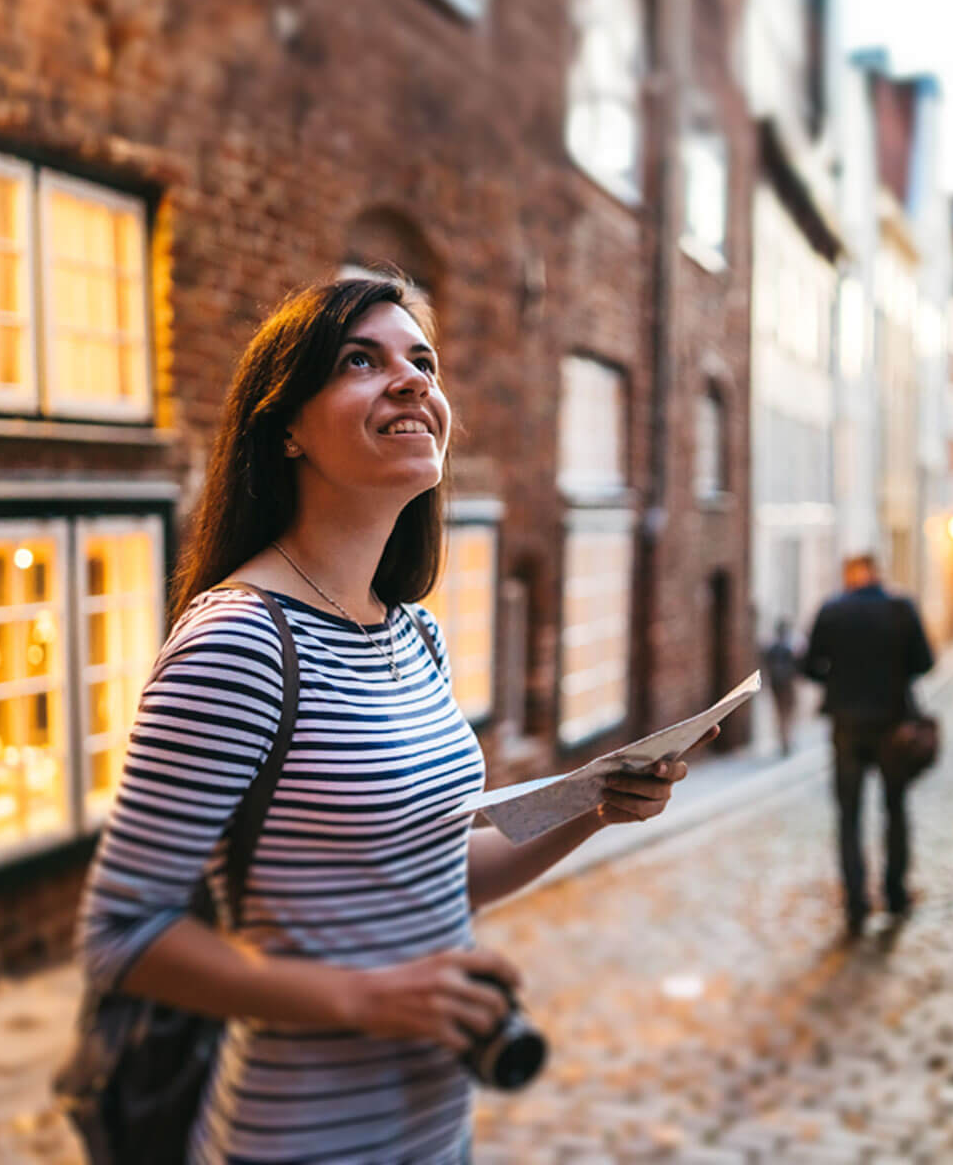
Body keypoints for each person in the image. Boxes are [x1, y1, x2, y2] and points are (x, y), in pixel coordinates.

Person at [76, 276, 712, 1163]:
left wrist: (594, 806)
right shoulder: (240, 641)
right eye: (359, 361)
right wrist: (367, 998)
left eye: (424, 361)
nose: (413, 380)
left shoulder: (412, 633)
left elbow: (436, 877)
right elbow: (122, 936)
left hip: (434, 1128)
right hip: (298, 1137)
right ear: (286, 426)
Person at [800, 553, 935, 938]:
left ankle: (856, 899)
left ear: (850, 576)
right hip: (893, 725)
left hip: (846, 726)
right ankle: (894, 892)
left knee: (848, 814)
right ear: (878, 574)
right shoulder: (900, 608)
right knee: (895, 808)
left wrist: (839, 678)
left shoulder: (832, 610)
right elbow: (924, 662)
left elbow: (810, 666)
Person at [760, 618, 801, 756]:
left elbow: (766, 666)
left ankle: (783, 739)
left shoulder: (772, 648)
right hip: (786, 683)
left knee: (780, 712)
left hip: (776, 683)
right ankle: (786, 739)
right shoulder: (788, 648)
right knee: (787, 712)